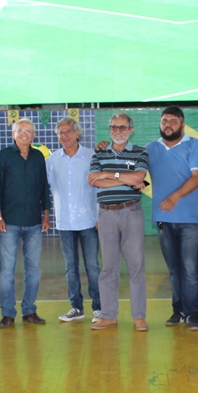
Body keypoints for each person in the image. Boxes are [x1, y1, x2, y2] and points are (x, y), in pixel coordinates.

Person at [146, 106, 198, 331]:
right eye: (164, 121)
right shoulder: (150, 149)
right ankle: (178, 310)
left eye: (173, 121)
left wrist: (173, 197)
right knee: (174, 269)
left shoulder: (195, 146)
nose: (168, 125)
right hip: (164, 220)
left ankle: (192, 313)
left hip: (192, 219)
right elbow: (137, 175)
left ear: (182, 124)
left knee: (190, 268)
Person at [87, 113, 149, 332]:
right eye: (114, 127)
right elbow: (93, 180)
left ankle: (139, 317)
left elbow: (138, 179)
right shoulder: (99, 153)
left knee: (136, 266)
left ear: (130, 129)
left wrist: (108, 174)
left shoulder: (140, 152)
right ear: (110, 128)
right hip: (106, 215)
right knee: (108, 268)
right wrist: (123, 177)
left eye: (123, 127)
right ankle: (109, 315)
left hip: (131, 211)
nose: (118, 131)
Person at [0, 118, 51, 328]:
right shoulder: (3, 157)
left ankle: (29, 310)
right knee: (7, 270)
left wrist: (46, 215)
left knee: (34, 270)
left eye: (28, 131)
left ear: (34, 135)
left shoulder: (38, 158)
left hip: (34, 221)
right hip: (9, 222)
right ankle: (8, 313)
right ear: (13, 134)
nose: (24, 133)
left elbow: (44, 187)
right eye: (20, 130)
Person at [47, 117, 101, 324]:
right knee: (70, 267)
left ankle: (98, 307)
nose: (64, 136)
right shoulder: (52, 161)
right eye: (60, 133)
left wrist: (99, 215)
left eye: (68, 131)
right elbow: (48, 189)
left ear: (77, 133)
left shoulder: (91, 156)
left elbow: (98, 187)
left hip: (88, 220)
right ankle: (76, 307)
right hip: (64, 222)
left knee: (92, 266)